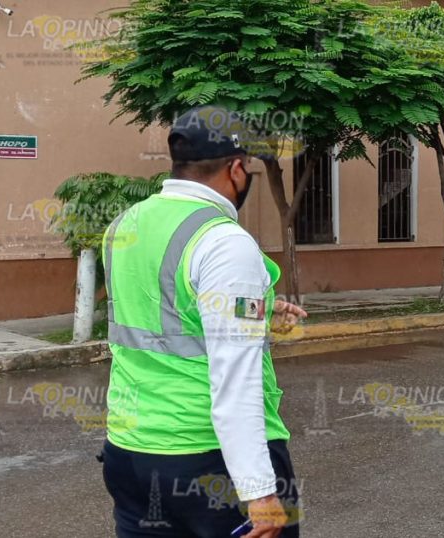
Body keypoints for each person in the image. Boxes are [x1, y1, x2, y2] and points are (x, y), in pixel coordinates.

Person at [100, 105, 305, 538]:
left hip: (130, 452)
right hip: (207, 459)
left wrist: (261, 316)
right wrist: (259, 490)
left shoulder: (124, 225)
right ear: (236, 170)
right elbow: (235, 377)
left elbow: (160, 314)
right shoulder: (224, 241)